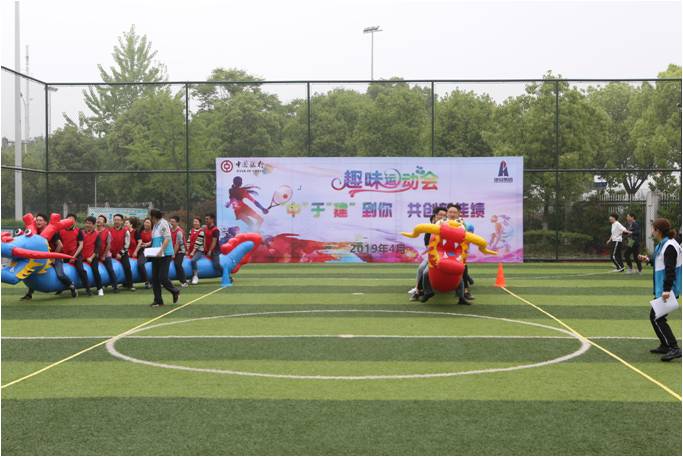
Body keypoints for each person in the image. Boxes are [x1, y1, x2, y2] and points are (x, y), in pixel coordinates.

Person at [638, 218, 681, 362]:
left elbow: (670, 269)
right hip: (663, 287)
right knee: (656, 317)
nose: (652, 232)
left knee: (657, 318)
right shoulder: (664, 244)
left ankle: (674, 348)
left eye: (653, 229)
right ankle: (665, 345)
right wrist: (648, 260)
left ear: (659, 231)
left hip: (667, 288)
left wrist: (667, 290)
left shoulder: (669, 246)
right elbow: (660, 261)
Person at [21, 213, 76, 300]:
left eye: (40, 220)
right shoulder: (35, 232)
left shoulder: (52, 231)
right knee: (33, 272)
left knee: (60, 274)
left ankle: (71, 286)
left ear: (46, 222)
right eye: (37, 220)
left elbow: (60, 245)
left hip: (55, 257)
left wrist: (53, 257)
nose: (38, 222)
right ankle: (29, 294)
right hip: (42, 258)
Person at [410, 207, 446, 302]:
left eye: (444, 215)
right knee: (421, 267)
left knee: (426, 271)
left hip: (444, 255)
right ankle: (417, 289)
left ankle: (425, 291)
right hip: (432, 253)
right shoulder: (430, 228)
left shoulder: (448, 228)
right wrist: (432, 253)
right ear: (436, 216)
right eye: (440, 215)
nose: (442, 217)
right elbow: (427, 244)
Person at [148, 208, 180, 307]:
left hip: (165, 254)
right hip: (156, 254)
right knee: (154, 278)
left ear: (154, 216)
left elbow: (167, 238)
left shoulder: (163, 223)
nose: (150, 218)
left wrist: (161, 250)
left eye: (151, 216)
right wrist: (148, 244)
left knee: (162, 277)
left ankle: (175, 291)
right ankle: (158, 300)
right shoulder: (155, 225)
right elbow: (156, 239)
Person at [59, 214, 91, 296]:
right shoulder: (60, 231)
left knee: (81, 270)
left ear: (75, 222)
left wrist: (74, 257)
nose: (69, 221)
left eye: (72, 220)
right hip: (64, 255)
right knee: (59, 271)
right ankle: (60, 288)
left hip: (76, 255)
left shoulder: (78, 231)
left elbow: (81, 245)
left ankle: (87, 288)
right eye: (68, 219)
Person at [110, 213, 135, 291]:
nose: (116, 221)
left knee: (127, 267)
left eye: (118, 220)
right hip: (111, 253)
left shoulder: (126, 231)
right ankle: (113, 285)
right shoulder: (109, 231)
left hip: (123, 253)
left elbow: (127, 244)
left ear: (121, 221)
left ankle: (130, 285)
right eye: (115, 220)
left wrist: (120, 253)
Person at [81, 216, 104, 296]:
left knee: (95, 270)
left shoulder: (97, 234)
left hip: (92, 257)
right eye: (86, 223)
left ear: (93, 225)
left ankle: (100, 289)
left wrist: (91, 257)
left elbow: (97, 248)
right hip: (81, 257)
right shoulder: (81, 232)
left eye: (90, 223)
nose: (87, 225)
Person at [96, 215, 119, 292]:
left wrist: (104, 255)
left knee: (110, 269)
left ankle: (115, 286)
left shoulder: (107, 232)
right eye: (98, 219)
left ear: (104, 223)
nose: (99, 220)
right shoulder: (94, 231)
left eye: (101, 219)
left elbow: (109, 245)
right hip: (96, 254)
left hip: (106, 255)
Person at [170, 215, 189, 288]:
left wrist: (173, 254)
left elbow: (177, 244)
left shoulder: (179, 232)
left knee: (177, 264)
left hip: (180, 251)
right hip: (172, 250)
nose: (171, 223)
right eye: (171, 221)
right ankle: (165, 281)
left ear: (177, 223)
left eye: (173, 222)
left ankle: (184, 281)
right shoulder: (170, 230)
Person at [133, 218, 153, 289]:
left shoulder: (154, 232)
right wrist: (136, 251)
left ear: (151, 224)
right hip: (144, 251)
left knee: (159, 263)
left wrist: (148, 244)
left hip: (153, 251)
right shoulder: (139, 232)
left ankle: (158, 281)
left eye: (148, 222)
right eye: (145, 222)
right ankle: (146, 281)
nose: (146, 224)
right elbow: (139, 242)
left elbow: (155, 241)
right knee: (140, 264)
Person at [204, 213, 223, 277]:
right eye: (205, 219)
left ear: (212, 220)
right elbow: (205, 239)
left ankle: (227, 275)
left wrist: (210, 251)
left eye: (207, 219)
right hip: (207, 249)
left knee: (216, 264)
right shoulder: (206, 228)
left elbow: (214, 242)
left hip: (215, 250)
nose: (206, 220)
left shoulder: (215, 230)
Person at [188, 217, 206, 285]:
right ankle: (191, 278)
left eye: (196, 222)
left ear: (199, 223)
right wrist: (187, 249)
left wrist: (193, 251)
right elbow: (189, 240)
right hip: (191, 250)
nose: (195, 223)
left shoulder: (201, 231)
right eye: (194, 221)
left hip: (199, 250)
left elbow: (198, 242)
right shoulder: (191, 230)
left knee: (193, 260)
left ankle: (196, 276)